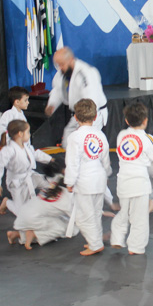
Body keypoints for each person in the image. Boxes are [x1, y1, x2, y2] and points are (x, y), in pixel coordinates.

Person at [111, 102, 153, 255]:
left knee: (124, 212)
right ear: (146, 120)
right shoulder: (147, 139)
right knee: (139, 218)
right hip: (140, 184)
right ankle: (135, 247)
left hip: (123, 182)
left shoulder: (121, 136)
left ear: (126, 121)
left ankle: (117, 238)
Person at [64, 99, 112, 256]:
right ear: (96, 116)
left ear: (75, 117)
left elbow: (72, 163)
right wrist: (107, 173)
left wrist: (69, 182)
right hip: (99, 179)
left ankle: (95, 243)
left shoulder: (74, 137)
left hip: (84, 181)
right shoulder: (100, 135)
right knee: (96, 213)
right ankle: (95, 240)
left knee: (83, 217)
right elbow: (106, 160)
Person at [44, 47, 108, 149]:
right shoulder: (62, 73)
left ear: (70, 60)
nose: (60, 67)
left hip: (92, 115)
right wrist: (52, 104)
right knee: (68, 141)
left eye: (62, 64)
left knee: (86, 144)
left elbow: (91, 100)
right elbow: (57, 90)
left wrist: (85, 121)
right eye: (58, 64)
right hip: (78, 115)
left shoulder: (86, 73)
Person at [7, 161, 77, 250]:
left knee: (62, 220)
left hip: (24, 213)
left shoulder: (54, 184)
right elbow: (76, 217)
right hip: (33, 218)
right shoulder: (67, 198)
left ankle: (17, 234)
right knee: (66, 228)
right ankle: (34, 234)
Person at [0, 120, 53, 216]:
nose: (30, 135)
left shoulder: (26, 146)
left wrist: (51, 160)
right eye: (28, 132)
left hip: (30, 176)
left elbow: (36, 154)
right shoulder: (8, 150)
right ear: (20, 134)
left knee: (51, 185)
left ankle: (40, 206)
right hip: (17, 182)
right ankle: (7, 203)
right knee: (22, 214)